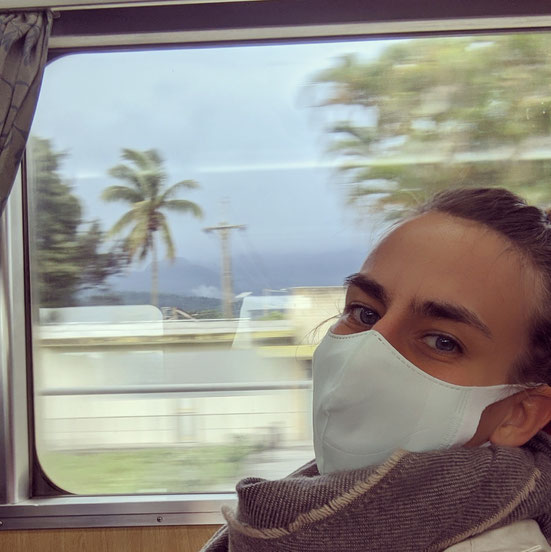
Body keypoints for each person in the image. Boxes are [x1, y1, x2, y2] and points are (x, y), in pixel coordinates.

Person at [201, 187, 551, 552]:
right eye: (364, 313)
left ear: (519, 414)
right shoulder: (316, 503)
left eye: (442, 342)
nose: (366, 354)